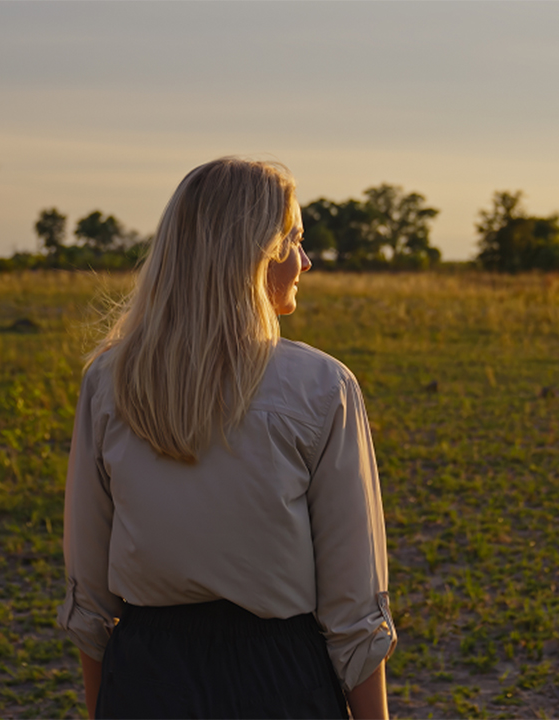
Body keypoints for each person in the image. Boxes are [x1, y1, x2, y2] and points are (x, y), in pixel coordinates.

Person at [57, 158, 396, 719]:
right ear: (256, 252)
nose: (306, 262)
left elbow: (88, 598)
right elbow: (354, 605)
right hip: (279, 679)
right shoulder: (322, 387)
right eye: (295, 241)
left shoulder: (108, 381)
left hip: (144, 677)